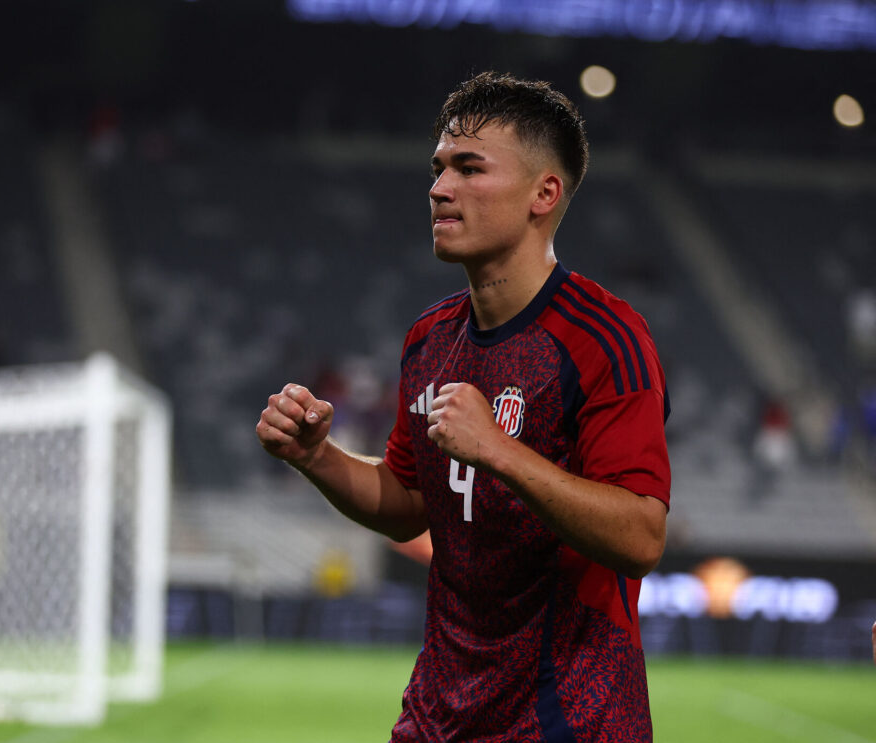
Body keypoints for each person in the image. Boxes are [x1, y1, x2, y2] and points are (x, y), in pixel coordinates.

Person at [256, 71, 670, 742]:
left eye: (469, 168)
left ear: (544, 193)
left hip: (566, 719)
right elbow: (407, 501)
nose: (439, 188)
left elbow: (641, 536)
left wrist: (499, 449)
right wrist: (317, 457)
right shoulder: (430, 337)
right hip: (436, 715)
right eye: (439, 168)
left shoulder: (605, 338)